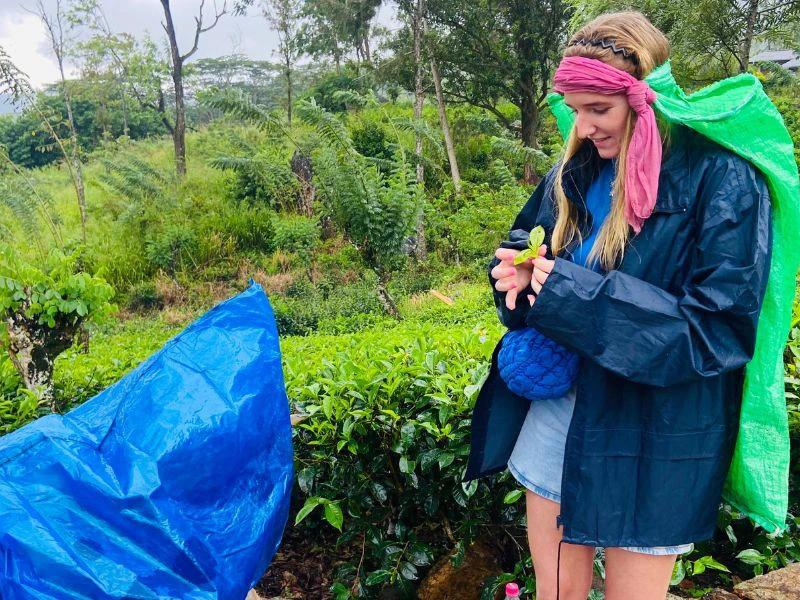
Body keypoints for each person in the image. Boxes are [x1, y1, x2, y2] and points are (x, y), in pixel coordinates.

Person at [469, 12, 775, 600]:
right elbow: (525, 245)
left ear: (643, 100)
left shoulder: (723, 180)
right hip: (560, 411)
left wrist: (567, 297)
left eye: (597, 110)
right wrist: (513, 277)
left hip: (653, 434)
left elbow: (716, 332)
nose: (581, 127)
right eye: (574, 108)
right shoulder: (575, 170)